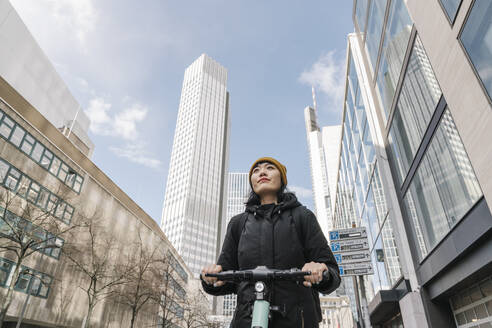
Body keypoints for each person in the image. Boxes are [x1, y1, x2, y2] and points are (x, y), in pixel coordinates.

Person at [201, 157, 341, 327]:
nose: (262, 172)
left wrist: (322, 272)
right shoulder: (238, 223)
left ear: (282, 178)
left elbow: (332, 273)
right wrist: (211, 279)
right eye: (256, 170)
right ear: (252, 182)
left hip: (298, 320)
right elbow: (225, 277)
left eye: (269, 167)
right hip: (246, 321)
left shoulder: (302, 216)